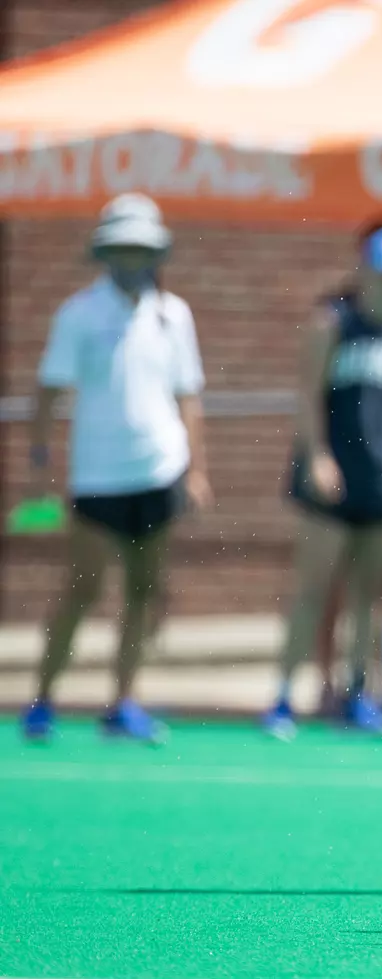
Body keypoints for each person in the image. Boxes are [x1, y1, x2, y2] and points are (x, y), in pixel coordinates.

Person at [20, 194, 211, 743]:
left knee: (144, 590)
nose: (133, 259)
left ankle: (124, 702)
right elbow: (48, 391)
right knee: (80, 589)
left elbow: (188, 396)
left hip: (158, 471)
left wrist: (196, 470)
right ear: (105, 252)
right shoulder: (79, 313)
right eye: (123, 248)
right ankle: (42, 701)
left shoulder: (174, 315)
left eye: (142, 249)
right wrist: (39, 460)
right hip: (97, 475)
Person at [263, 226, 382, 739]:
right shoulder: (333, 324)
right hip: (332, 477)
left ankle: (360, 696)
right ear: (364, 272)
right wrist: (316, 457)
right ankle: (285, 698)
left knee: (368, 596)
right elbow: (308, 397)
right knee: (313, 588)